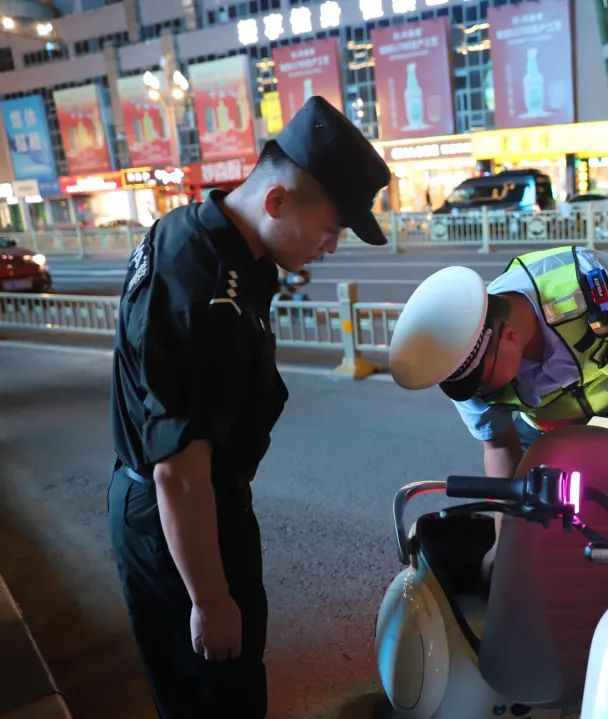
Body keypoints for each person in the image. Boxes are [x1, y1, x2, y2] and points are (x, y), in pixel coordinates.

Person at [108, 96, 390, 719]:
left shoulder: (230, 248)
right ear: (277, 200)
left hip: (208, 505)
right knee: (214, 695)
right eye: (330, 229)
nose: (331, 247)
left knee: (235, 682)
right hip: (178, 518)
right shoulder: (202, 285)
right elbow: (178, 473)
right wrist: (209, 600)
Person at [388, 246, 608, 480]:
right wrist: (505, 528)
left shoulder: (586, 276)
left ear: (510, 336)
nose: (483, 395)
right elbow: (499, 446)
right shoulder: (462, 365)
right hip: (545, 434)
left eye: (486, 384)